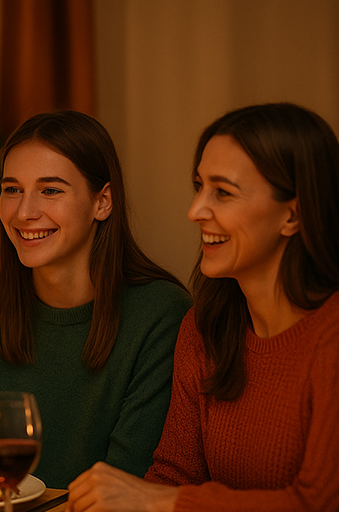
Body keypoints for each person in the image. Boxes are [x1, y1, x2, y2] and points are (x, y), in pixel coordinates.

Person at [67, 103, 339, 511]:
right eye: (199, 186)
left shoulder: (330, 337)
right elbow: (174, 474)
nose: (195, 211)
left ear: (293, 214)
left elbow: (319, 503)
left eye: (223, 193)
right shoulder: (205, 327)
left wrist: (163, 502)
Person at [0, 111, 192, 489]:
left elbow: (127, 482)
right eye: (12, 189)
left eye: (51, 190)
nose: (25, 212)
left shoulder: (160, 315)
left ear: (103, 202)